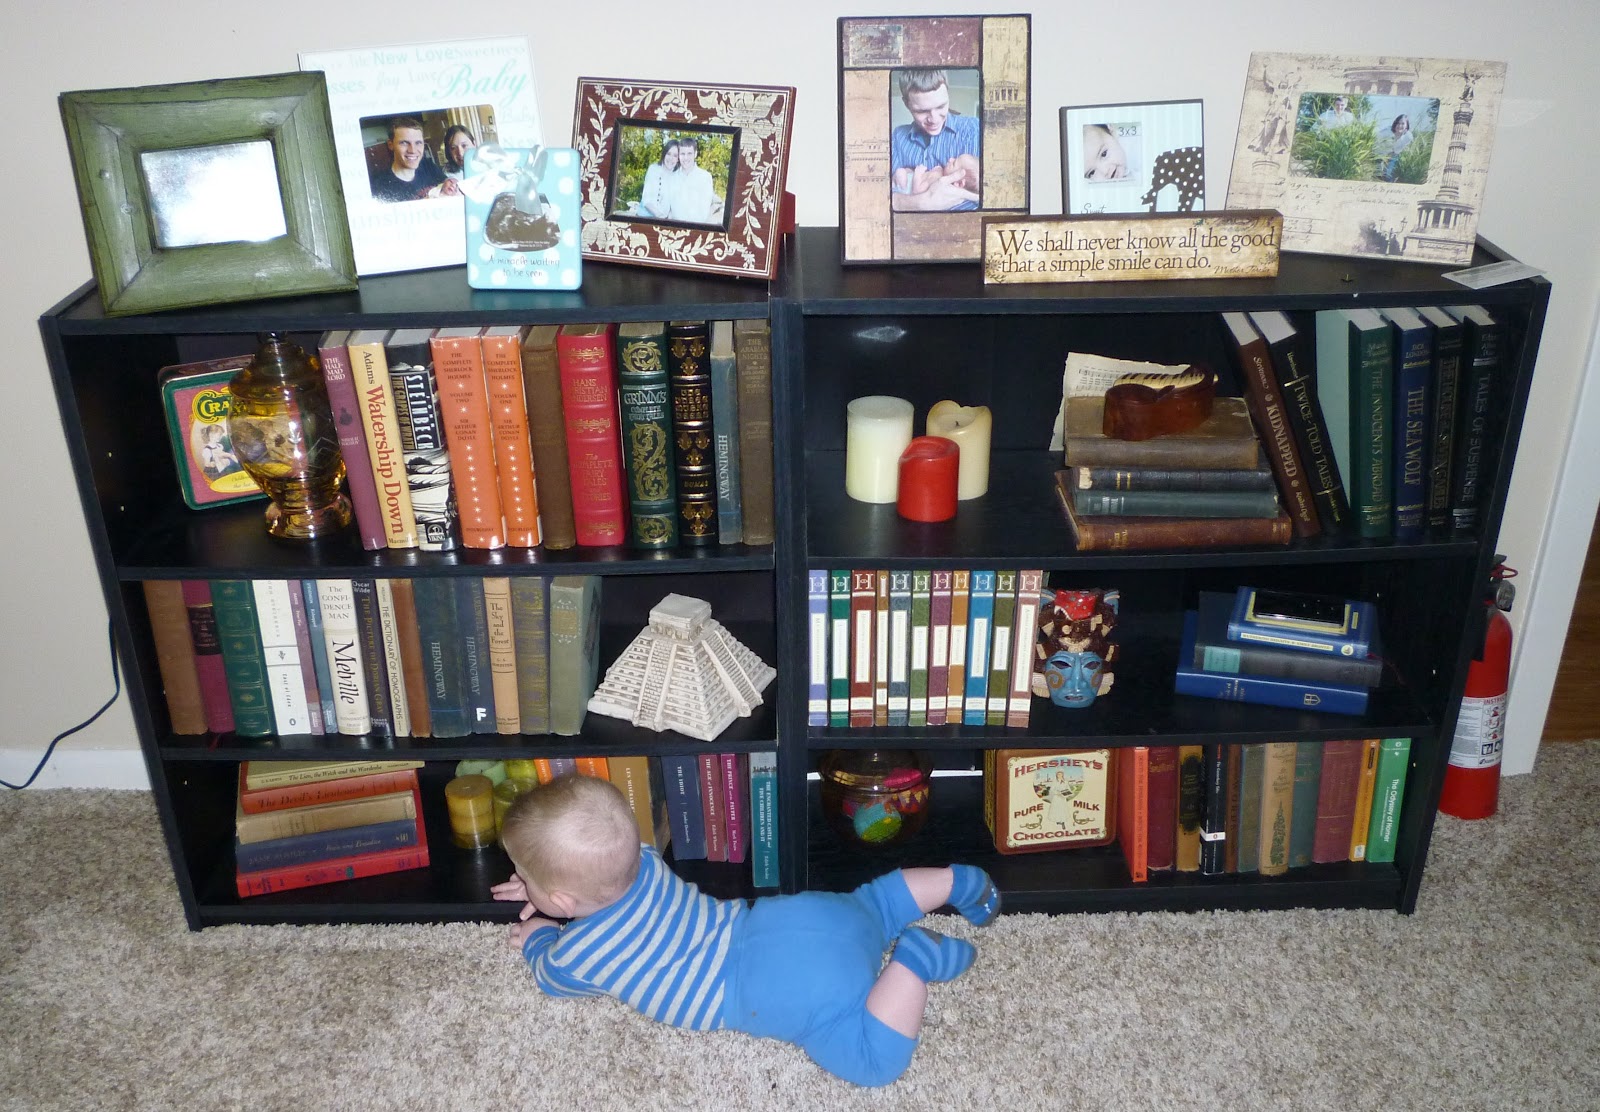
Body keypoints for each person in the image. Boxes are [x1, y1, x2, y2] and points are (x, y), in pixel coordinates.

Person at [492, 774, 1001, 1088]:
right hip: (781, 919)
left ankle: (913, 963)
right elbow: (600, 874)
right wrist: (547, 886)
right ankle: (957, 881)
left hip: (768, 989)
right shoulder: (643, 860)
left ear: (564, 902)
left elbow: (550, 975)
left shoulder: (581, 952)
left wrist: (539, 930)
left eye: (527, 876)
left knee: (872, 1063)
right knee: (875, 905)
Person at [889, 69, 981, 212]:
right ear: (907, 104)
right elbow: (873, 195)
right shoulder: (898, 137)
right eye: (922, 111)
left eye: (941, 106)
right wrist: (919, 203)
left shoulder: (976, 130)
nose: (934, 119)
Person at [369, 116, 456, 202]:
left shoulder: (427, 165)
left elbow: (446, 183)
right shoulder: (378, 187)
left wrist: (451, 182)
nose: (413, 150)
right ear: (390, 145)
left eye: (418, 143)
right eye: (404, 143)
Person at [665, 136, 722, 224]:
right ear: (679, 155)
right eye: (682, 154)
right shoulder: (671, 178)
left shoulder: (705, 177)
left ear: (695, 154)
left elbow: (708, 208)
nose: (686, 158)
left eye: (689, 153)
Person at [636, 138, 679, 218]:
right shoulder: (653, 169)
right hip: (644, 217)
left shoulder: (678, 176)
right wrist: (659, 216)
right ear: (664, 154)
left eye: (675, 155)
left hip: (662, 220)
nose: (671, 158)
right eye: (668, 154)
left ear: (678, 159)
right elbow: (646, 200)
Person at [1382, 114, 1413, 182]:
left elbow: (1404, 151)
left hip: (1395, 156)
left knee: (1388, 174)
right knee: (1378, 173)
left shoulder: (1408, 137)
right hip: (1381, 154)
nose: (1400, 126)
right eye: (1398, 123)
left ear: (1406, 126)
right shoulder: (1387, 132)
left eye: (1403, 124)